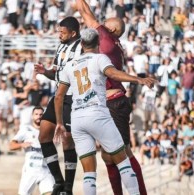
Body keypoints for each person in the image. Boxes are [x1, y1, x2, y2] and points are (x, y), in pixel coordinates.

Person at [54, 28, 154, 195]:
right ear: (98, 43)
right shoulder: (100, 58)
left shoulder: (70, 65)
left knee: (89, 174)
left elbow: (58, 96)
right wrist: (138, 79)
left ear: (81, 44)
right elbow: (113, 74)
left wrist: (59, 122)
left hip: (78, 118)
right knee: (123, 162)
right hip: (97, 114)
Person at [75, 0, 150, 194]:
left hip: (114, 103)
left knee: (123, 153)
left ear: (113, 29)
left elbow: (85, 12)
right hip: (106, 104)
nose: (100, 25)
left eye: (105, 23)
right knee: (108, 157)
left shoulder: (106, 37)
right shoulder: (113, 45)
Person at [34, 16, 82, 194]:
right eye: (58, 31)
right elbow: (55, 73)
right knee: (44, 135)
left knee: (67, 141)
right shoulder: (61, 46)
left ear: (73, 33)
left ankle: (68, 187)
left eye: (62, 32)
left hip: (73, 98)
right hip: (58, 97)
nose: (59, 35)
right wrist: (44, 72)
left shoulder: (81, 48)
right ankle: (59, 181)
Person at [10, 106, 54, 195]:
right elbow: (11, 145)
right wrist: (21, 144)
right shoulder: (26, 130)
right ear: (32, 116)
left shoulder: (49, 130)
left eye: (41, 114)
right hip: (30, 170)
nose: (38, 116)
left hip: (45, 169)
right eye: (36, 114)